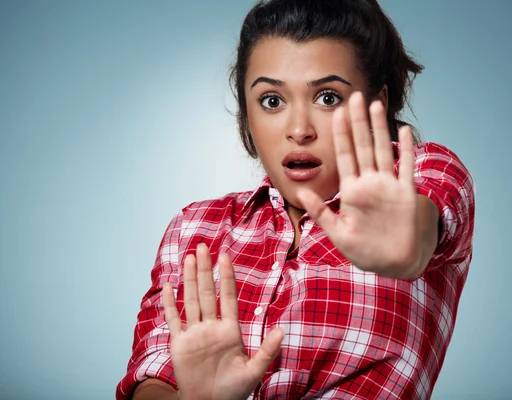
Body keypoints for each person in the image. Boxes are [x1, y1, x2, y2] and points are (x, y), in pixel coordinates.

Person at [116, 0, 475, 399]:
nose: (300, 129)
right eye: (272, 100)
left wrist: (407, 244)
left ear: (379, 103)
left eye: (328, 97)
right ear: (247, 115)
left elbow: (423, 227)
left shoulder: (421, 174)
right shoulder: (195, 227)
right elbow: (150, 379)